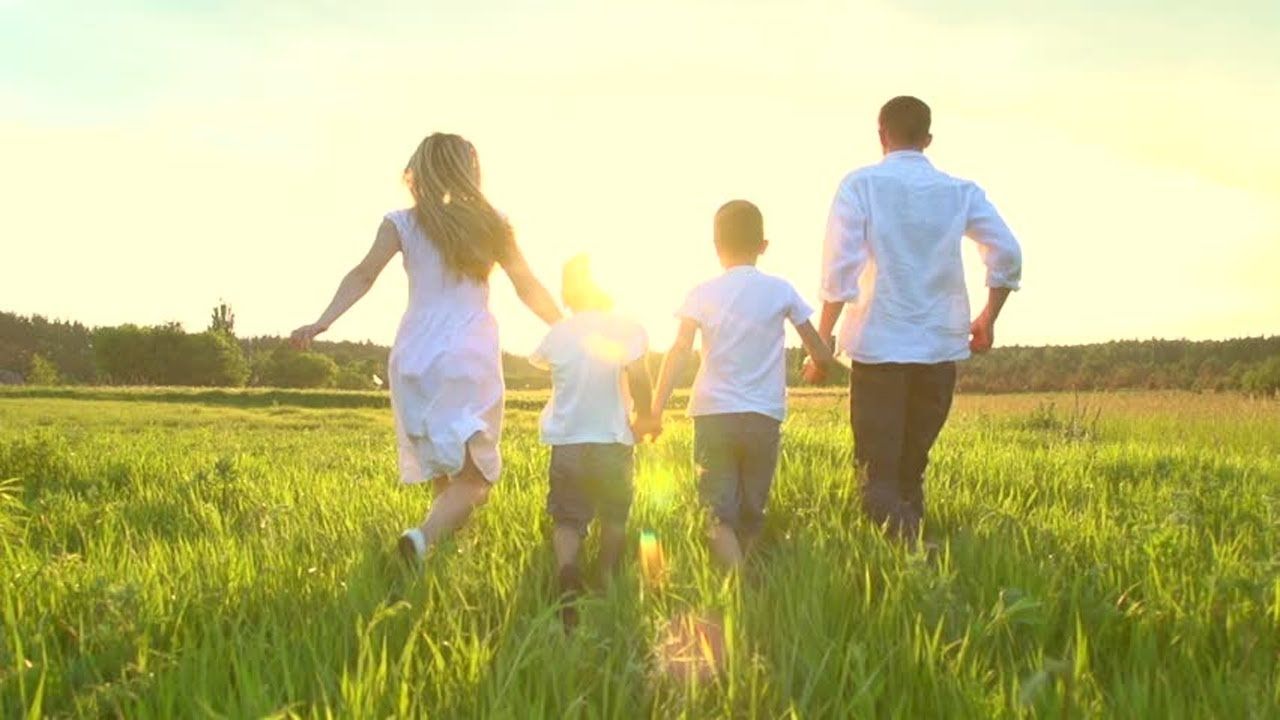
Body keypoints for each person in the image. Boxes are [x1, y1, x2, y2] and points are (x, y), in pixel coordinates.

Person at [289, 132, 562, 564]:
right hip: (468, 352)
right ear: (470, 170)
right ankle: (421, 538)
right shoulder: (494, 223)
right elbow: (526, 285)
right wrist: (567, 326)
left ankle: (437, 556)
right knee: (476, 480)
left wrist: (323, 321)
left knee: (444, 469)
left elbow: (363, 275)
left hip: (414, 354)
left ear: (418, 172)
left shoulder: (401, 223)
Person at [806, 96, 1023, 542]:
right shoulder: (960, 192)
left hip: (879, 347)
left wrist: (822, 340)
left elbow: (840, 269)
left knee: (877, 475)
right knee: (910, 471)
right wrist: (988, 316)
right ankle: (918, 560)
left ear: (881, 135)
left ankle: (914, 554)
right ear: (927, 139)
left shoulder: (861, 185)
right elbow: (1007, 251)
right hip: (939, 348)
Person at [652, 200, 838, 568]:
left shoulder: (701, 293)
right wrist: (817, 364)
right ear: (763, 245)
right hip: (762, 416)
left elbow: (680, 350)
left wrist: (655, 409)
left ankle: (736, 583)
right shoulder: (781, 290)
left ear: (716, 246)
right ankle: (749, 579)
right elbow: (820, 351)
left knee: (716, 511)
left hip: (714, 415)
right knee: (753, 510)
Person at [529, 255, 656, 627]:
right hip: (612, 439)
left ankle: (568, 570)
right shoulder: (627, 328)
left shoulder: (558, 333)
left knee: (567, 518)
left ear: (567, 292)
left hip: (568, 441)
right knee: (614, 514)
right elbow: (640, 376)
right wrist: (645, 415)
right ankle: (603, 578)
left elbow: (543, 360)